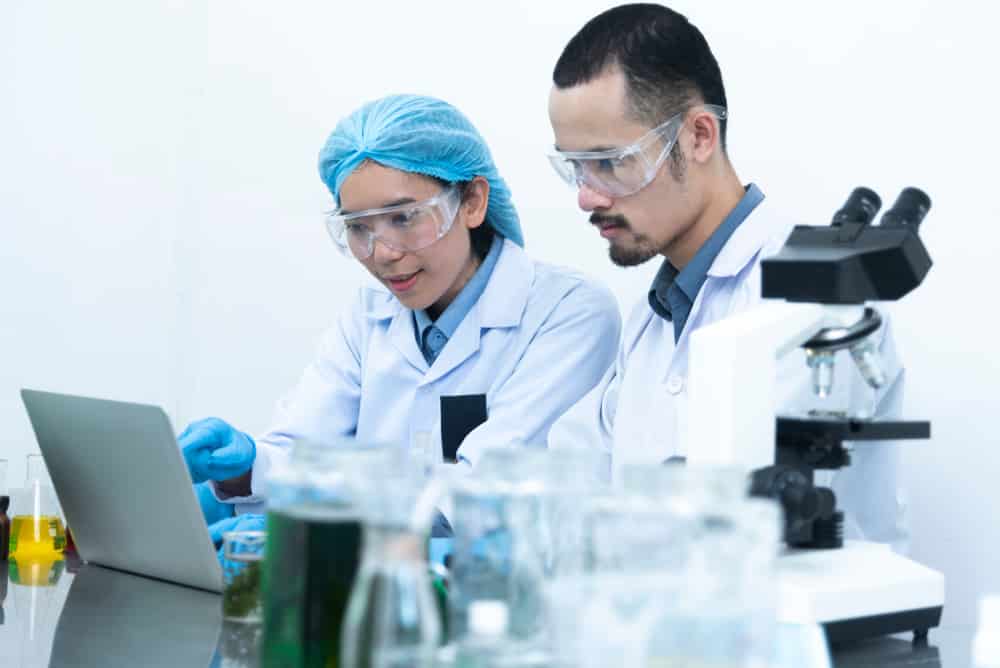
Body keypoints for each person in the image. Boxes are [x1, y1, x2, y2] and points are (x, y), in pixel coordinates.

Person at [545, 3, 908, 550]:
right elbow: (571, 479)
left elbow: (738, 516)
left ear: (698, 136)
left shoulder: (819, 301)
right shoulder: (653, 317)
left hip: (809, 604)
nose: (586, 196)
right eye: (575, 166)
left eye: (611, 162)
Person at [180, 94, 622, 541]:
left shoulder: (568, 312)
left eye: (405, 217)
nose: (383, 254)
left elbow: (481, 493)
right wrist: (244, 470)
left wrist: (321, 530)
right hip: (373, 578)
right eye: (358, 227)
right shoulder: (368, 316)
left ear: (472, 201)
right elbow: (303, 454)